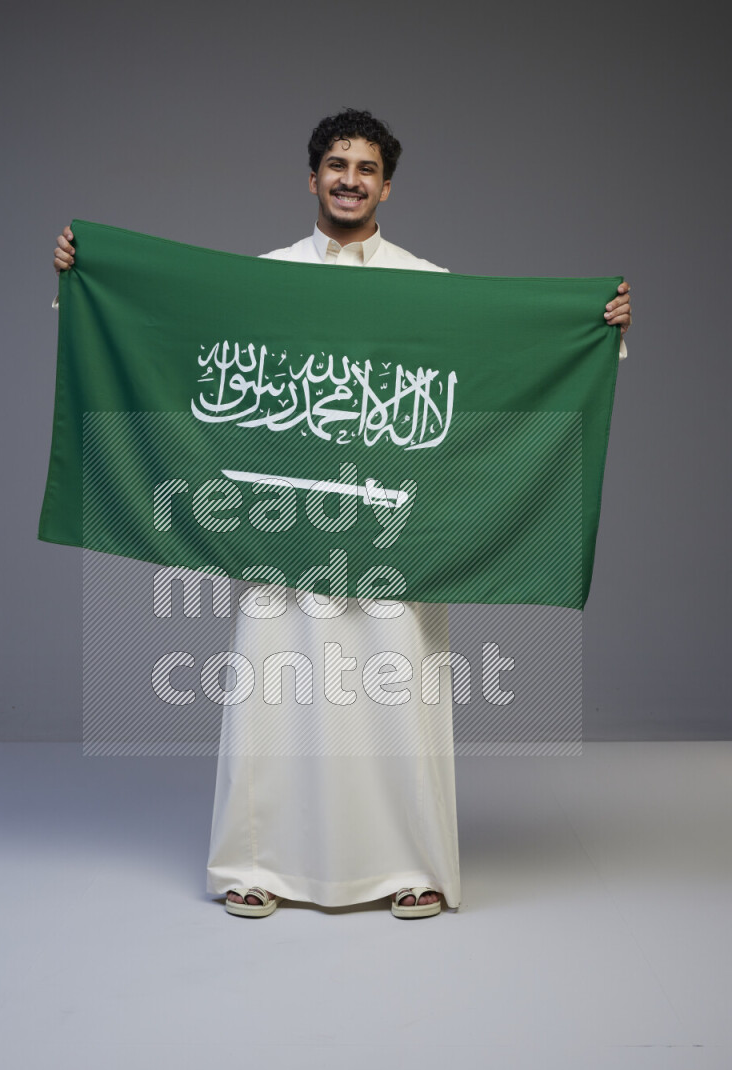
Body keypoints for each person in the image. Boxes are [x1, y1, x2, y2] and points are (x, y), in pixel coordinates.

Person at [53, 109, 631, 921]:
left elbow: (504, 365)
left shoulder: (427, 286)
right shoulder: (263, 280)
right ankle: (257, 866)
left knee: (397, 695)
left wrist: (595, 333)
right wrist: (88, 280)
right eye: (335, 164)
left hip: (395, 533)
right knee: (272, 695)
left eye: (365, 168)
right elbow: (169, 332)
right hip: (280, 530)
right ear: (313, 177)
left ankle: (412, 868)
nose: (349, 179)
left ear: (386, 185)